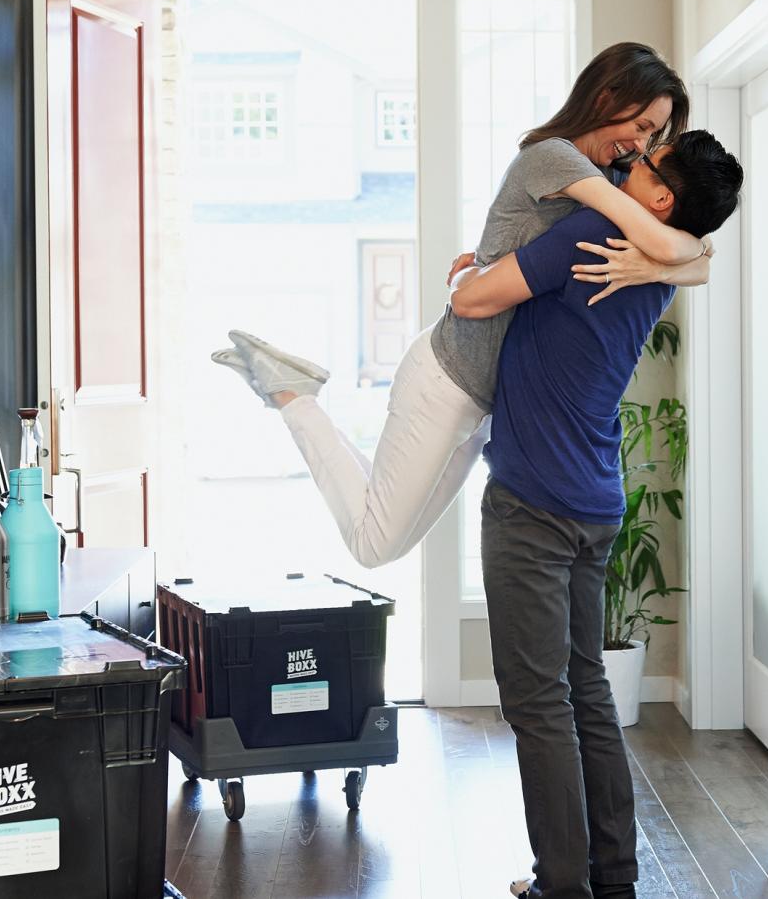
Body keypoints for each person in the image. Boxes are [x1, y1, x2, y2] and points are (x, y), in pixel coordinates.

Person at [213, 43, 716, 568]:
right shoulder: (554, 158)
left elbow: (702, 256)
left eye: (652, 135)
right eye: (642, 126)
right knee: (372, 545)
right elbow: (672, 239)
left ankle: (293, 388)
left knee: (387, 535)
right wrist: (666, 256)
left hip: (481, 403)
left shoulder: (612, 175)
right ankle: (293, 394)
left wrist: (660, 266)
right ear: (608, 96)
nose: (640, 144)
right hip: (447, 377)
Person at [449, 131, 743, 899]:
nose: (625, 164)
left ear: (659, 198)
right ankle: (613, 877)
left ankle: (563, 886)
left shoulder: (595, 232)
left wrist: (469, 276)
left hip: (532, 501)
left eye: (643, 163)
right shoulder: (669, 263)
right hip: (593, 499)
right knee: (584, 690)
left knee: (539, 701)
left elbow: (474, 299)